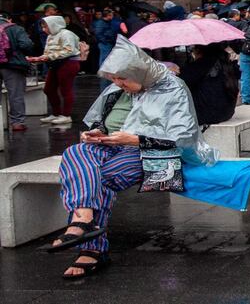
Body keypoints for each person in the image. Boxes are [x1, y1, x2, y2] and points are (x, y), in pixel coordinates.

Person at [46, 36, 217, 279]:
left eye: (122, 79)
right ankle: (84, 217)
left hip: (150, 150)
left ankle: (91, 247)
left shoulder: (172, 88)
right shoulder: (118, 88)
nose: (118, 84)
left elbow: (184, 140)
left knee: (102, 178)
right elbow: (101, 120)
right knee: (76, 151)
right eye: (114, 79)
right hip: (110, 144)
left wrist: (134, 140)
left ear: (140, 73)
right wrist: (96, 133)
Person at [27, 16, 80, 125]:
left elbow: (68, 50)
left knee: (66, 89)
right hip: (55, 64)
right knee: (49, 89)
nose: (44, 29)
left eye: (45, 26)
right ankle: (56, 113)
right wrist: (39, 58)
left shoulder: (66, 34)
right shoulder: (50, 36)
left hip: (68, 63)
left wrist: (48, 57)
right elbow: (47, 52)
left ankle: (66, 115)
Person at [180, 44, 239, 125]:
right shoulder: (226, 63)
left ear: (199, 50)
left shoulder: (201, 64)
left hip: (206, 114)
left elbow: (181, 83)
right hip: (227, 112)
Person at [0, 13, 35, 131]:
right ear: (8, 19)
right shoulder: (15, 28)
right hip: (12, 65)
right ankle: (17, 123)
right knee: (15, 94)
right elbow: (26, 44)